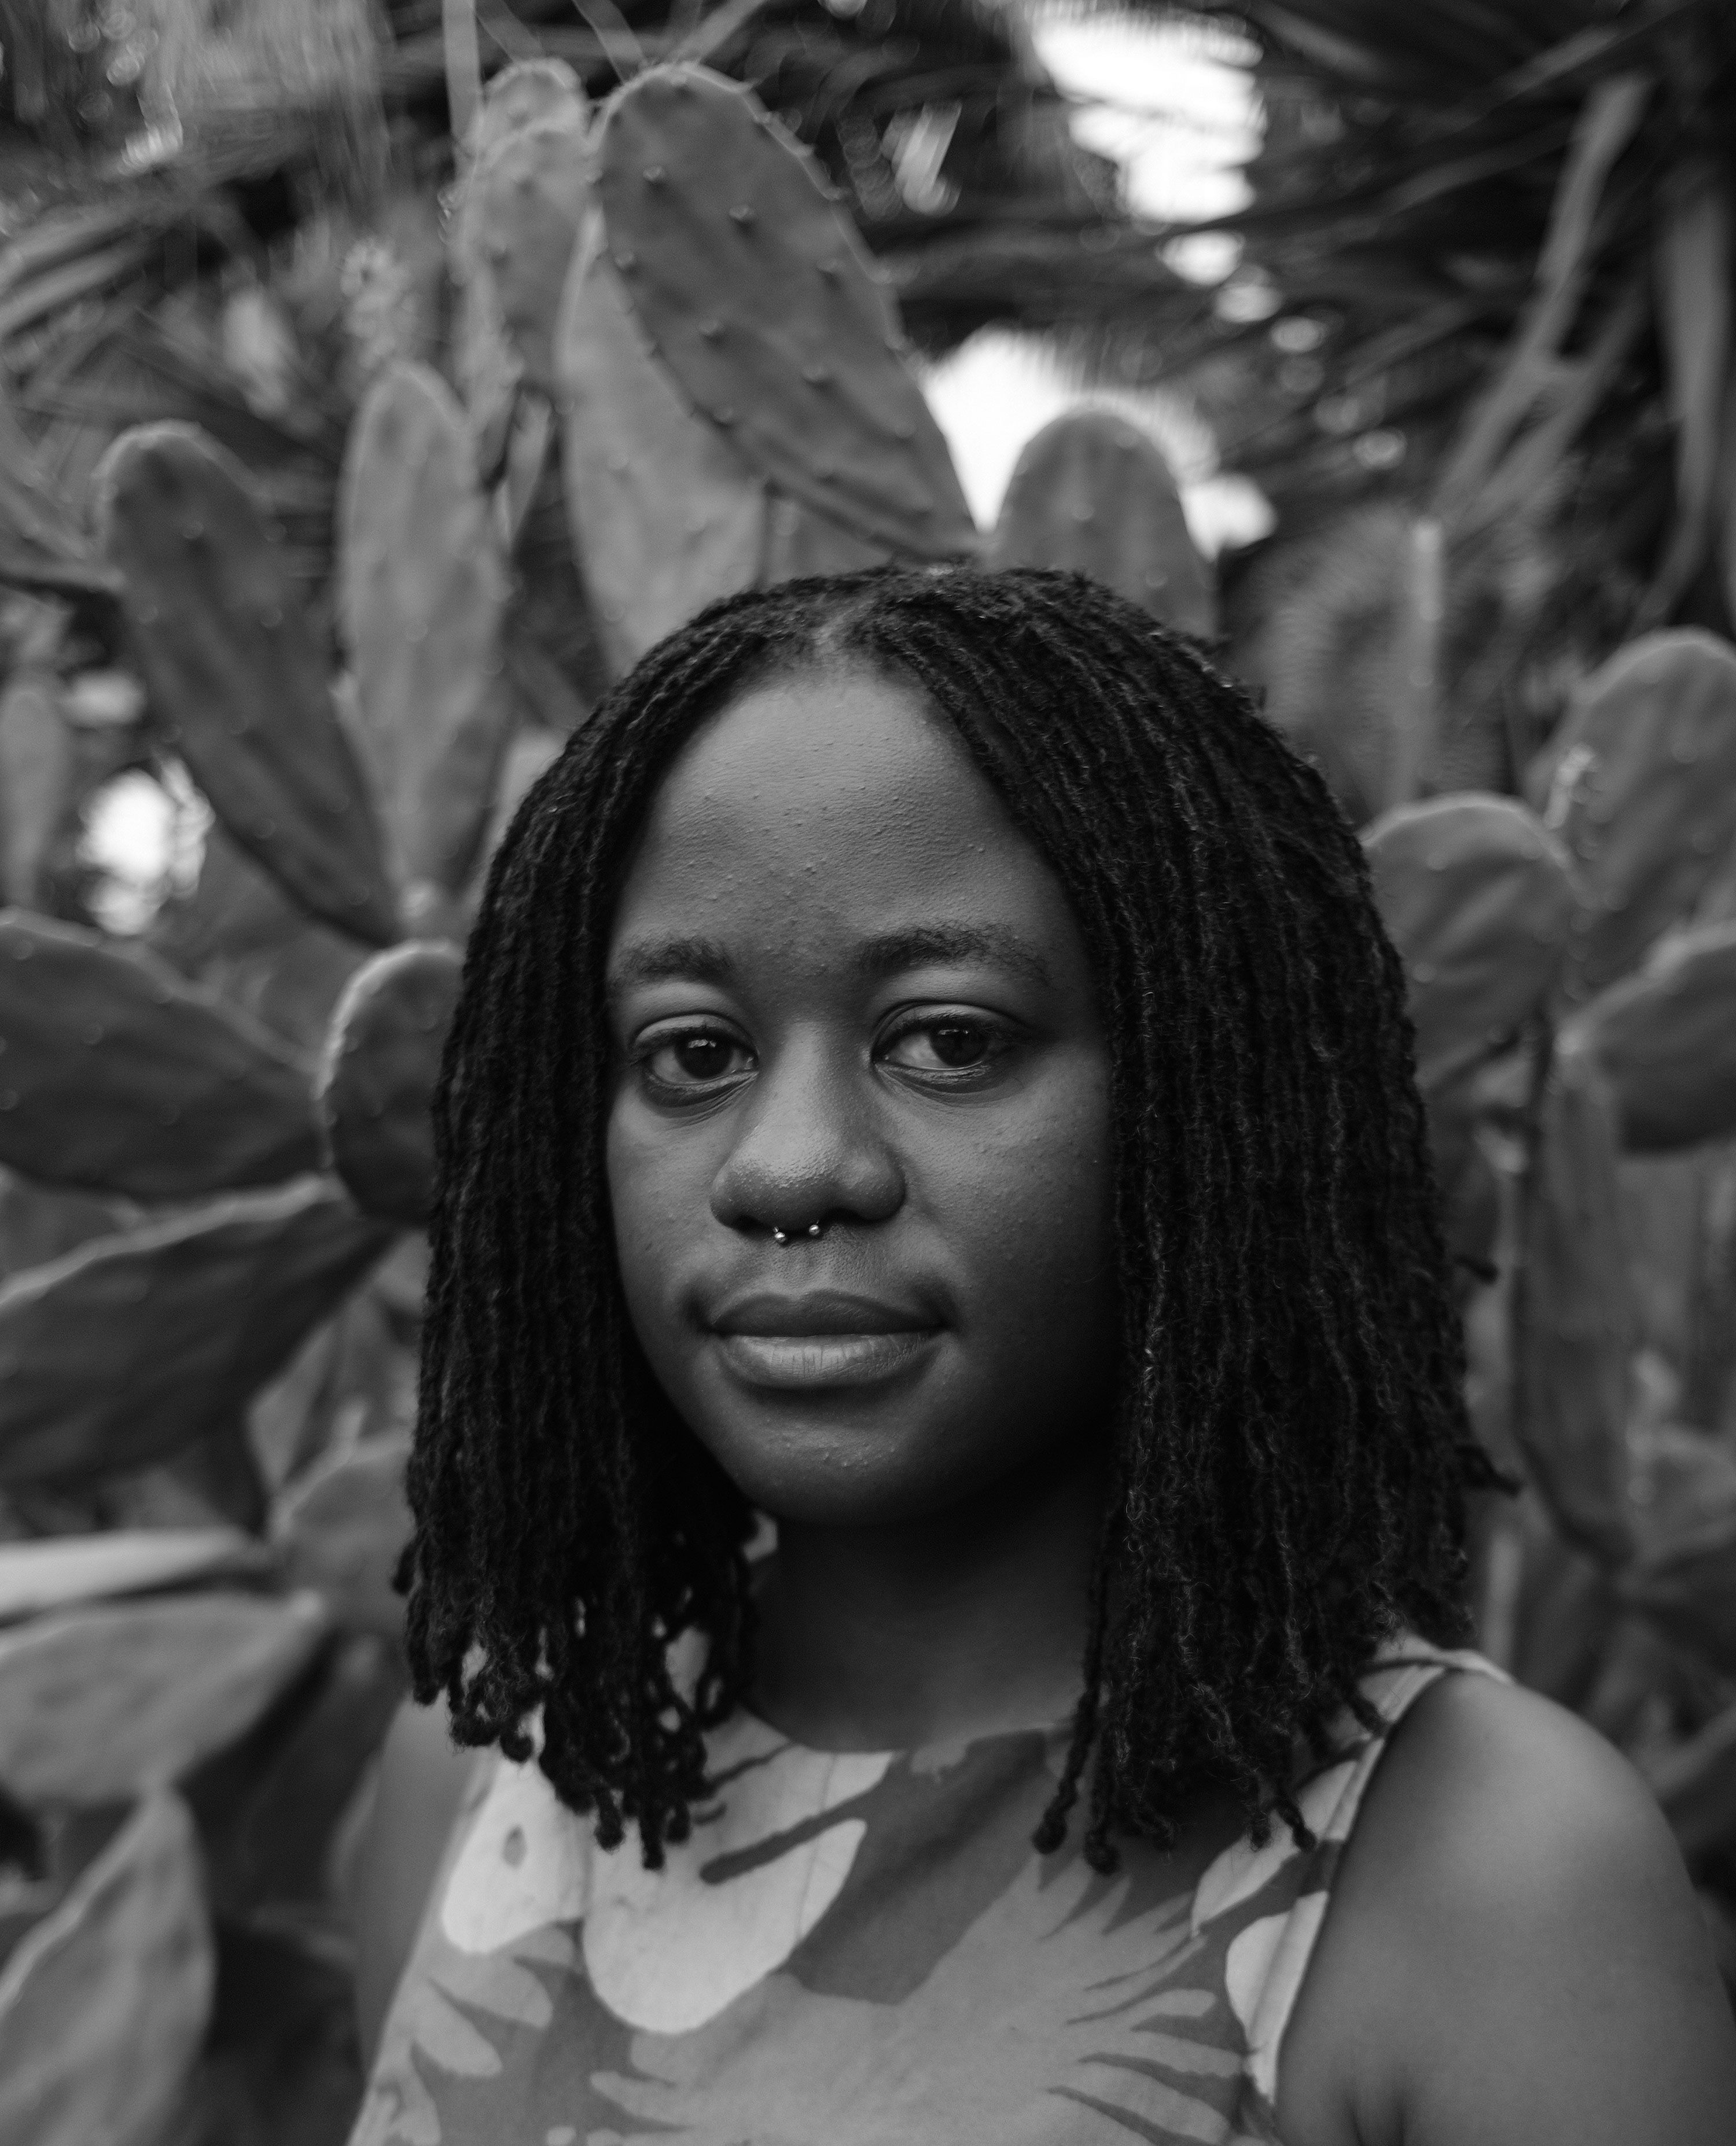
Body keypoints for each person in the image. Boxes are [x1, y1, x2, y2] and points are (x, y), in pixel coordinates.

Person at [348, 567, 1736, 2146]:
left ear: (1203, 1105)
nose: (789, 1168)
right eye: (694, 1054)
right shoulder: (486, 1785)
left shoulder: (1481, 1869)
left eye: (949, 1037)